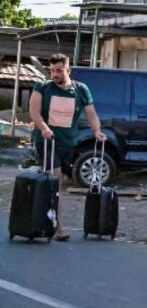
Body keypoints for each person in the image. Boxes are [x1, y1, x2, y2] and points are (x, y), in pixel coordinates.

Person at [29, 53, 106, 241]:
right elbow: (34, 111)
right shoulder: (42, 87)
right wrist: (44, 128)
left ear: (68, 70)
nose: (55, 74)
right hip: (47, 141)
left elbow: (91, 114)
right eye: (52, 70)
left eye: (59, 70)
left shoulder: (80, 90)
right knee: (54, 181)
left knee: (60, 182)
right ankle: (58, 226)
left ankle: (46, 218)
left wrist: (97, 131)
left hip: (68, 142)